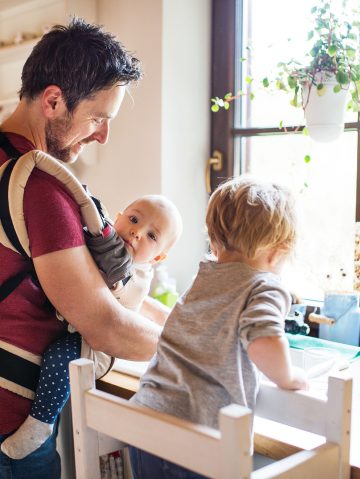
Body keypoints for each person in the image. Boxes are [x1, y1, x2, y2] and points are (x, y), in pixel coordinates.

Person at [0, 17, 162, 479]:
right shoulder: (40, 188)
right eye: (98, 118)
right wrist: (198, 348)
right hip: (10, 438)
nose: (103, 134)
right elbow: (106, 326)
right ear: (53, 101)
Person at [128, 175, 309, 479]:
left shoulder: (206, 276)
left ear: (213, 240)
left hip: (144, 419)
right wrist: (290, 377)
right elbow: (263, 341)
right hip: (195, 435)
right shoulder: (266, 286)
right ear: (276, 252)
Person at [1, 194, 183, 460]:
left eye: (152, 236)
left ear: (158, 257)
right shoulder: (107, 244)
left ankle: (41, 423)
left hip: (95, 348)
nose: (136, 232)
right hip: (75, 329)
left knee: (58, 357)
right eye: (133, 220)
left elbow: (118, 305)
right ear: (118, 217)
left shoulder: (136, 273)